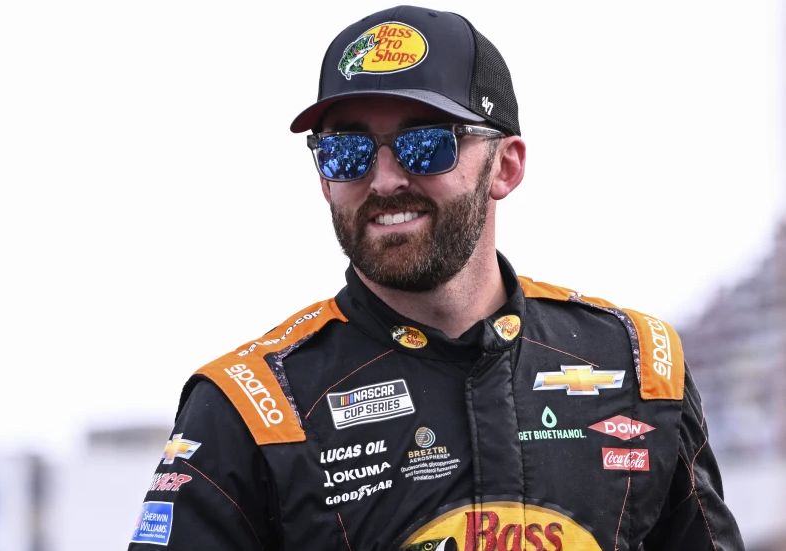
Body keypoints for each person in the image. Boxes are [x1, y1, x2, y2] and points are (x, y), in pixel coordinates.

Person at [127, 5, 744, 550]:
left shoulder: (642, 366)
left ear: (505, 166)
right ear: (323, 178)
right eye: (348, 151)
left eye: (426, 145)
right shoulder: (250, 404)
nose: (385, 178)